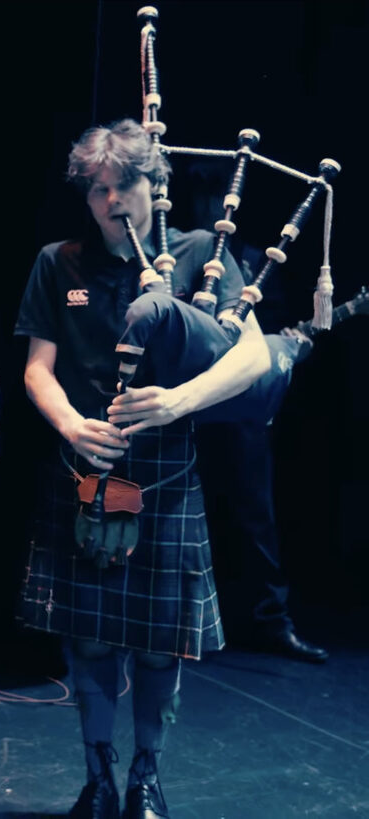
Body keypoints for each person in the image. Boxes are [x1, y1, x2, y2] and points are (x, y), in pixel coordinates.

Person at [15, 120, 270, 819]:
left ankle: (145, 778)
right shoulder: (57, 263)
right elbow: (37, 369)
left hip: (167, 473)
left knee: (160, 647)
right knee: (90, 637)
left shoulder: (201, 256)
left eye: (124, 183)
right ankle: (98, 777)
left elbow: (252, 356)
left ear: (155, 185)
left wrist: (179, 401)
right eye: (97, 189)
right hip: (88, 468)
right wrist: (72, 425)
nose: (110, 200)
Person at [187, 162, 328, 663]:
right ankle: (182, 621)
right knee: (179, 512)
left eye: (216, 196)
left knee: (255, 515)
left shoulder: (253, 260)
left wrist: (289, 346)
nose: (209, 206)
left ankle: (270, 620)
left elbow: (275, 329)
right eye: (202, 196)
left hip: (241, 407)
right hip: (185, 403)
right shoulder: (181, 253)